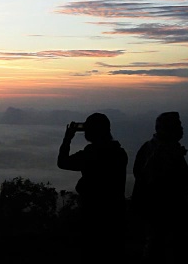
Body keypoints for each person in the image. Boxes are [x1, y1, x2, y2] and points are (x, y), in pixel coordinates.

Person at [58, 112, 128, 263]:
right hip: (116, 214)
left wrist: (68, 138)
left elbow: (62, 162)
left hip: (93, 213)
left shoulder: (91, 154)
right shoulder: (120, 153)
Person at [131, 111, 188, 262]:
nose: (181, 129)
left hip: (153, 212)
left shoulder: (148, 148)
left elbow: (139, 175)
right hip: (165, 213)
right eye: (177, 125)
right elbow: (185, 179)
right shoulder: (165, 151)